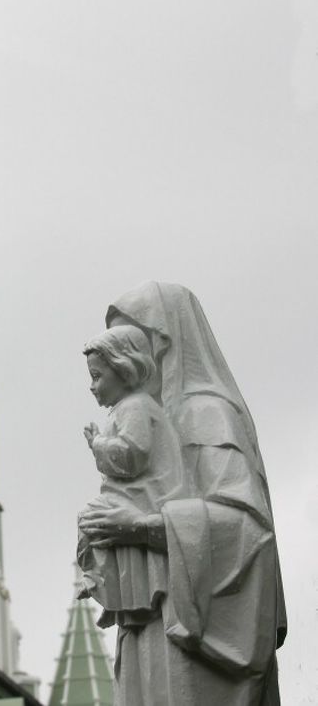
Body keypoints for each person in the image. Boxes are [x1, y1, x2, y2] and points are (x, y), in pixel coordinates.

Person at [77, 282, 285, 706]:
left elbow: (249, 532)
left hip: (192, 637)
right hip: (148, 621)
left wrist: (144, 527)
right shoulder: (144, 417)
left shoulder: (208, 414)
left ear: (163, 344)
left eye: (134, 340)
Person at [78, 326, 186, 623]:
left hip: (147, 494)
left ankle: (104, 584)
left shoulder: (136, 406)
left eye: (97, 376)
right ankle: (109, 587)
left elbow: (132, 456)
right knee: (93, 523)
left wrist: (98, 444)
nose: (91, 385)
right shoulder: (128, 408)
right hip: (134, 495)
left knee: (91, 519)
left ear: (124, 370)